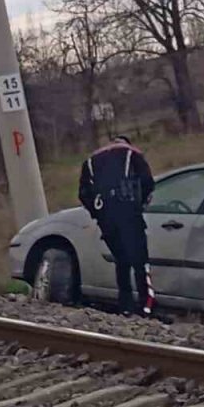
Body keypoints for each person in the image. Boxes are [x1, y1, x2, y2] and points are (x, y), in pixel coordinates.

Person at [78, 136, 156, 317]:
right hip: (129, 212)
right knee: (140, 262)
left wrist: (97, 213)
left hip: (106, 217)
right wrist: (140, 204)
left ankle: (125, 306)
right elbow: (147, 182)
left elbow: (83, 193)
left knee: (121, 261)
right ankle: (146, 306)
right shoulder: (132, 154)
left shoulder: (90, 161)